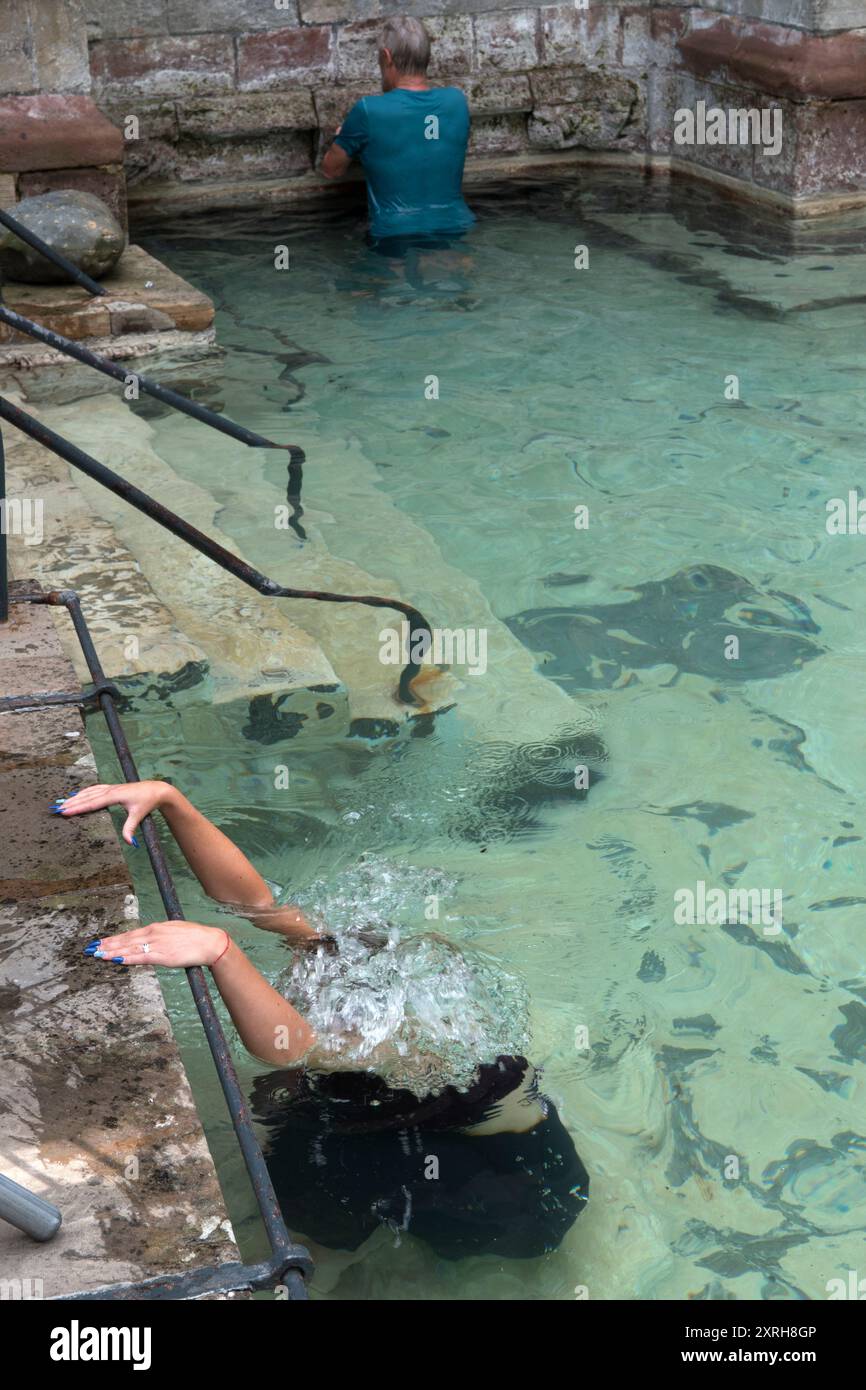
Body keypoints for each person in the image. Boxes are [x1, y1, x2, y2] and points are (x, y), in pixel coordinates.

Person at [52, 779, 588, 1266]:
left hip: (516, 1183)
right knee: (301, 1138)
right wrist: (171, 801)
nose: (299, 959)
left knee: (315, 1195)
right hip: (409, 1123)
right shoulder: (344, 961)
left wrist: (219, 951)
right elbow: (254, 904)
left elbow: (293, 1050)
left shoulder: (407, 1047)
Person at [321, 15, 476, 255]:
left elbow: (331, 170)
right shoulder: (457, 101)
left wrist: (347, 137)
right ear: (427, 56)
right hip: (456, 227)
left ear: (386, 57)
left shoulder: (368, 110)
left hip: (393, 235)